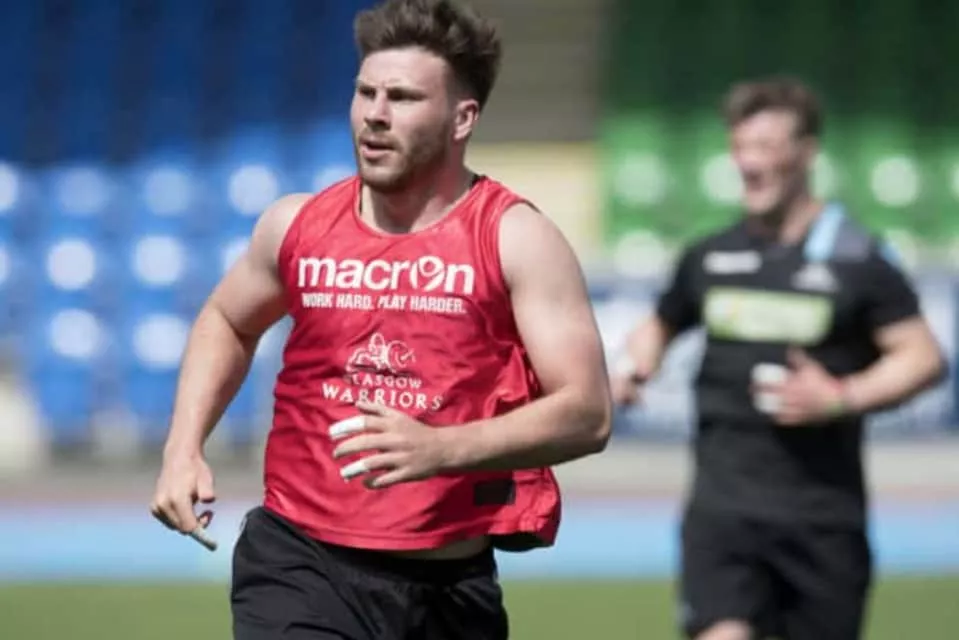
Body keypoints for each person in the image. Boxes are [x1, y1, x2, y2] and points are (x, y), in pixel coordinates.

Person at [149, 0, 612, 638]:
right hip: (298, 562)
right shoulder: (296, 225)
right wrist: (183, 448)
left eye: (403, 97)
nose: (375, 114)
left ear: (462, 117)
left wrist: (442, 448)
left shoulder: (515, 238)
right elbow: (228, 320)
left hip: (450, 585)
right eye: (365, 92)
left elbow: (588, 412)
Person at [611, 76, 946, 640]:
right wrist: (634, 367)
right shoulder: (709, 255)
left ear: (806, 152)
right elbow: (661, 323)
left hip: (822, 522)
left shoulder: (857, 258)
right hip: (722, 514)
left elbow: (923, 357)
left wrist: (841, 396)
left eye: (765, 146)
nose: (749, 163)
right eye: (740, 147)